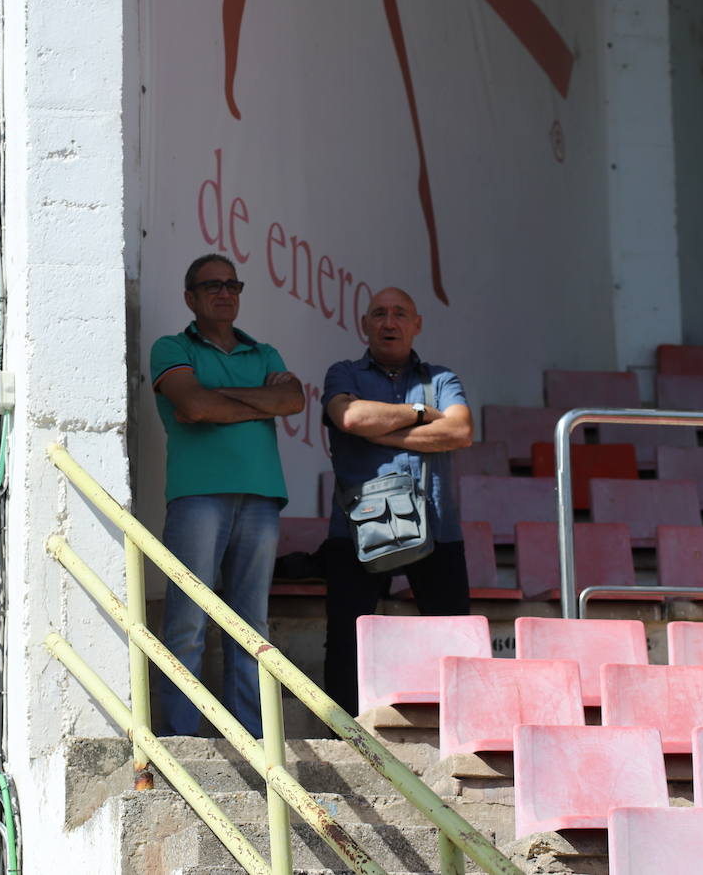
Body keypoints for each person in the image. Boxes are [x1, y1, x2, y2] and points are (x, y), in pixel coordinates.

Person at [150, 253, 305, 736]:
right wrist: (259, 401)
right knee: (187, 625)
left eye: (232, 285)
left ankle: (252, 740)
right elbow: (192, 405)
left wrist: (220, 400)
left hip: (261, 497)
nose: (224, 292)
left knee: (251, 628)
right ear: (190, 297)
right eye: (211, 285)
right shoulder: (171, 346)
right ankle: (180, 738)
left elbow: (293, 400)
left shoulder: (265, 353)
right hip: (197, 497)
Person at [321, 286, 474, 716]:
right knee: (346, 639)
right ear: (364, 324)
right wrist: (422, 413)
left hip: (436, 525)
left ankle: (458, 731)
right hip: (357, 528)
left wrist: (379, 430)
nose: (390, 322)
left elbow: (461, 431)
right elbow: (349, 417)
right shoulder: (343, 373)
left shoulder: (441, 378)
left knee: (453, 637)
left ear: (417, 324)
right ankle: (343, 734)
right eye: (380, 314)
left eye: (400, 314)